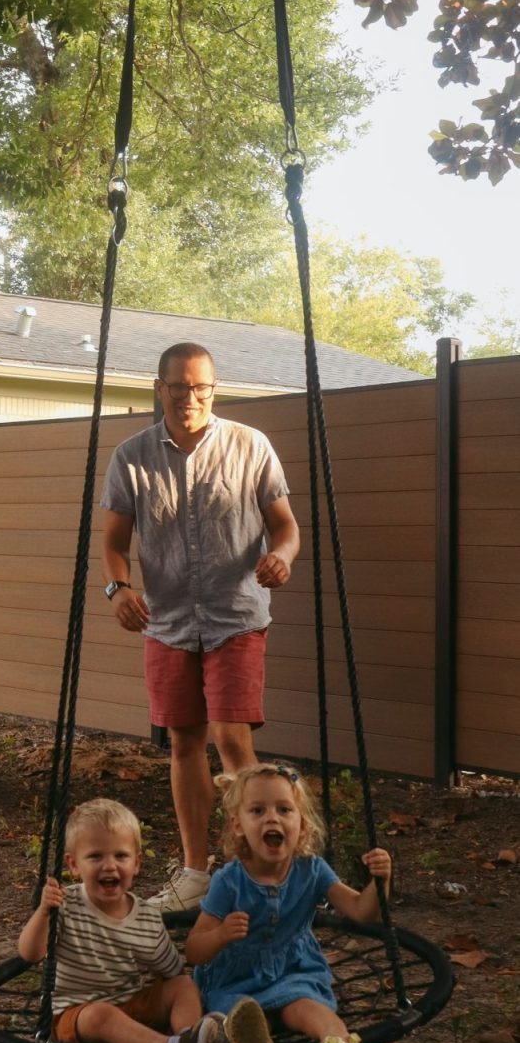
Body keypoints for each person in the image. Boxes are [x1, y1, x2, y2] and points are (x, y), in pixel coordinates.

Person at [99, 340, 301, 909]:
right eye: (179, 386)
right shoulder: (132, 457)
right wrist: (118, 589)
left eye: (201, 387)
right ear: (159, 388)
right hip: (166, 621)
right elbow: (113, 544)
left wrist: (282, 556)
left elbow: (286, 527)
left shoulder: (250, 445)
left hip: (235, 615)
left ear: (214, 388)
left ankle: (264, 870)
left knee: (232, 737)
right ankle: (195, 875)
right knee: (184, 741)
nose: (190, 397)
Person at [184, 762, 393, 1043]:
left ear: (303, 825)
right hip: (236, 979)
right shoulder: (229, 881)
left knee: (302, 1002)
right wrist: (221, 935)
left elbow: (361, 911)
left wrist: (381, 881)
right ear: (238, 825)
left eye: (284, 809)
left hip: (293, 970)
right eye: (258, 810)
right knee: (243, 1013)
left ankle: (338, 1042)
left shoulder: (312, 869)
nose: (272, 818)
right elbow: (194, 950)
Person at [17, 796, 267, 1043]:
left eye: (120, 856)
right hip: (76, 1014)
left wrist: (181, 995)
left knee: (183, 986)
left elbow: (172, 970)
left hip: (132, 1003)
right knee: (102, 1015)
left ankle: (190, 1036)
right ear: (74, 865)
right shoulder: (65, 905)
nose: (109, 865)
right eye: (95, 856)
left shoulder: (147, 917)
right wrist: (43, 913)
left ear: (136, 863)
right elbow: (30, 953)